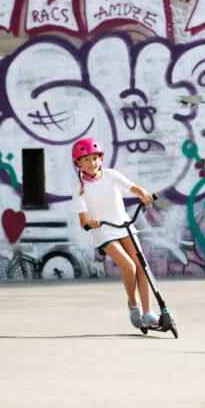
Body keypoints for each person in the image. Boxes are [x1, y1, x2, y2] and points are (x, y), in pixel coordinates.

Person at [71, 137, 159, 329]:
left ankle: (148, 313)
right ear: (79, 163)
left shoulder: (111, 175)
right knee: (129, 266)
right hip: (102, 230)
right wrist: (90, 222)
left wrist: (143, 195)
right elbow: (83, 221)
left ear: (100, 159)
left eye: (95, 158)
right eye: (87, 159)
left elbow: (133, 188)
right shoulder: (79, 189)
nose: (92, 163)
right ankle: (134, 305)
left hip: (124, 225)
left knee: (141, 265)